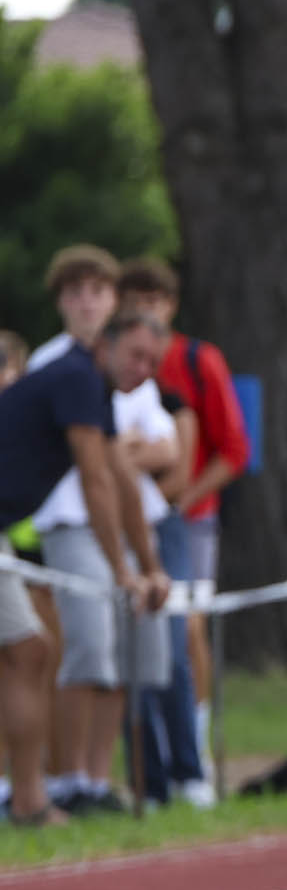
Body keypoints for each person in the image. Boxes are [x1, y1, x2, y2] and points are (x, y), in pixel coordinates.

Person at [0, 313, 172, 828]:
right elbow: (95, 481)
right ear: (105, 345)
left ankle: (28, 800)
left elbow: (121, 479)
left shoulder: (93, 391)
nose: (143, 370)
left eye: (153, 363)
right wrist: (122, 571)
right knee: (29, 651)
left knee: (27, 652)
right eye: (136, 356)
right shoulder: (77, 378)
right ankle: (29, 802)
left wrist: (151, 568)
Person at [115, 258, 228, 806]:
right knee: (134, 652)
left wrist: (159, 495)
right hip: (121, 530)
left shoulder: (189, 377)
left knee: (181, 637)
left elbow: (189, 460)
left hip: (176, 523)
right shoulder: (101, 388)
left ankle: (191, 763)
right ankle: (148, 777)